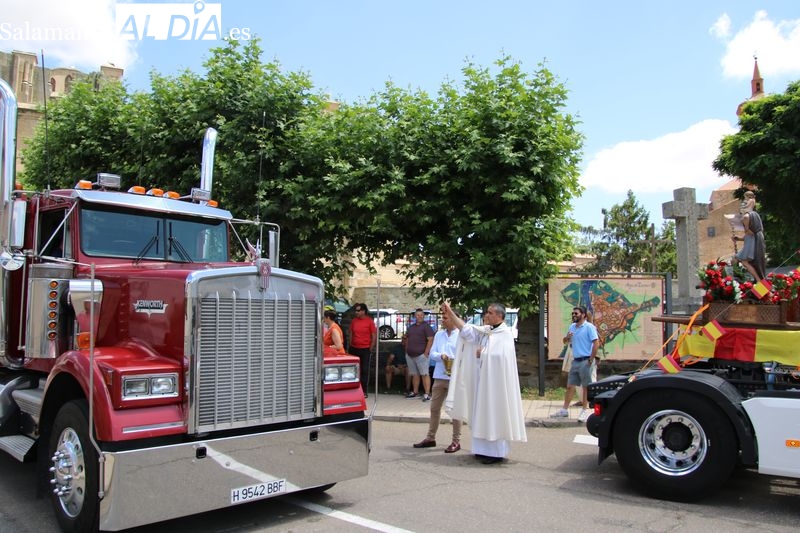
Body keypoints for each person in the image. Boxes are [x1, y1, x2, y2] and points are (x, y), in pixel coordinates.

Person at [442, 302, 526, 464]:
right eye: (487, 312)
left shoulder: (505, 334)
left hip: (497, 387)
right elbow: (466, 330)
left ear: (500, 316)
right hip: (483, 384)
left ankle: (495, 453)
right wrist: (450, 312)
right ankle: (481, 450)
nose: (486, 315)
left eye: (490, 313)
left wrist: (484, 353)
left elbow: (502, 358)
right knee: (481, 414)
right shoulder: (486, 332)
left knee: (494, 415)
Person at [413, 312, 462, 453]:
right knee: (434, 408)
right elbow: (432, 353)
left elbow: (464, 354)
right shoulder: (439, 335)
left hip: (454, 377)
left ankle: (456, 441)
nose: (443, 320)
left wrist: (451, 358)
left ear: (453, 320)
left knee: (454, 411)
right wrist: (441, 356)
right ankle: (430, 437)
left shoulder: (460, 335)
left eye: (445, 318)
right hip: (440, 376)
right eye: (443, 318)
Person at [551, 306, 599, 422]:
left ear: (583, 315)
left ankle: (584, 411)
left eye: (576, 313)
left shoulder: (589, 327)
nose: (574, 315)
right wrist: (567, 337)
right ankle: (564, 410)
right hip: (576, 360)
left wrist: (591, 359)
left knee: (585, 387)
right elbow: (565, 341)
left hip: (585, 360)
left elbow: (596, 343)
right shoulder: (572, 327)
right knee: (570, 386)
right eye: (573, 313)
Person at [732, 190, 766, 282]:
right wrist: (739, 239)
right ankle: (756, 280)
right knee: (749, 262)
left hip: (752, 243)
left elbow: (749, 233)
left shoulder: (746, 217)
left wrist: (745, 227)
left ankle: (753, 280)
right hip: (755, 240)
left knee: (742, 260)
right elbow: (750, 235)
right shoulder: (755, 215)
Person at [404, 308, 435, 401]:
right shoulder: (411, 327)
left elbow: (431, 339)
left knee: (425, 374)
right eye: (418, 315)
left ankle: (427, 394)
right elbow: (407, 338)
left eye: (422, 315)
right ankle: (415, 392)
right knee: (415, 374)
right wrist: (406, 351)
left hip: (421, 355)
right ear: (415, 316)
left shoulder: (426, 326)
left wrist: (426, 353)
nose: (420, 316)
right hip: (410, 355)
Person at [348, 303, 377, 396]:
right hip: (354, 348)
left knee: (365, 370)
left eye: (358, 310)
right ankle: (353, 389)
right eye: (356, 310)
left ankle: (364, 390)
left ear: (363, 311)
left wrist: (370, 348)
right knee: (354, 370)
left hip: (365, 349)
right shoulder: (354, 321)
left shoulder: (369, 321)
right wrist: (350, 344)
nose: (356, 312)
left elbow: (373, 336)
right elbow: (351, 333)